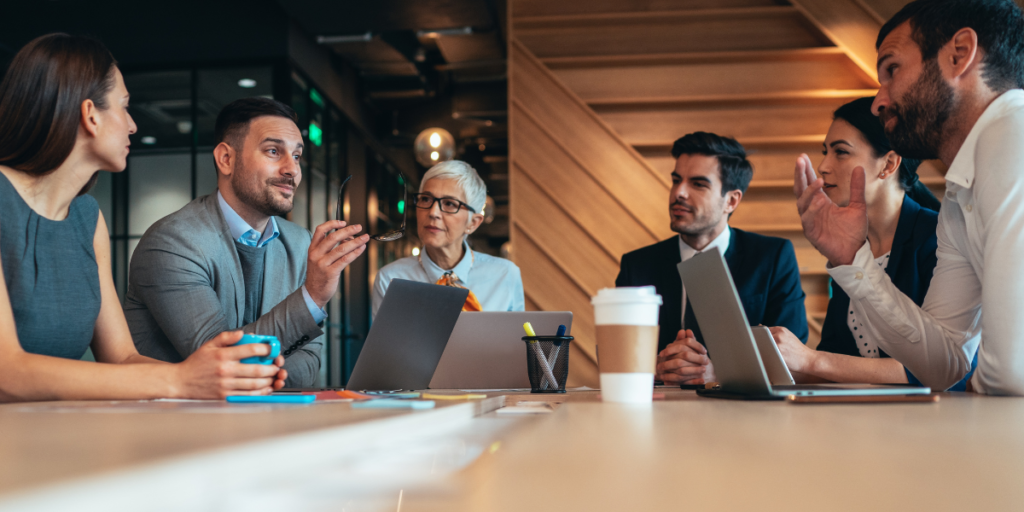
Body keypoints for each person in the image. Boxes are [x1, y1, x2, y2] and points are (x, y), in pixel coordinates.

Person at [0, 34, 286, 401]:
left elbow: (121, 358)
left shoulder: (87, 219)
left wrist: (221, 377)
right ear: (90, 115)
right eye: (123, 107)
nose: (133, 125)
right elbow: (7, 370)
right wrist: (181, 381)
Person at [796, 0, 1024, 394]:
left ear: (959, 55)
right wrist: (853, 260)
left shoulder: (1014, 137)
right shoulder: (956, 195)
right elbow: (945, 365)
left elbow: (1010, 373)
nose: (878, 100)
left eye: (892, 69)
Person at [125, 98, 368, 387]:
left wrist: (259, 376)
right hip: (181, 426)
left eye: (297, 156)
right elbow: (224, 362)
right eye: (274, 151)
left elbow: (310, 361)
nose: (292, 169)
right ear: (226, 159)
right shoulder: (173, 242)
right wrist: (312, 297)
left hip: (269, 423)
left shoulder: (301, 242)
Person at [765, 97, 976, 390]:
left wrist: (812, 360)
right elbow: (838, 358)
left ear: (889, 164)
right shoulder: (850, 245)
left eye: (841, 152)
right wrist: (732, 372)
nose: (823, 166)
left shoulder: (939, 238)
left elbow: (941, 370)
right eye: (825, 152)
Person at [615, 132, 808, 385]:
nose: (679, 193)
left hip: (748, 416)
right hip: (661, 414)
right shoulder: (637, 265)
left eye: (698, 184)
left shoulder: (772, 257)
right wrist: (656, 369)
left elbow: (793, 359)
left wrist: (719, 374)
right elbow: (618, 356)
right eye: (676, 180)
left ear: (731, 200)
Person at [372, 160, 523, 317]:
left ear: (473, 222)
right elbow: (384, 342)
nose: (433, 212)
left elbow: (517, 340)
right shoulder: (390, 279)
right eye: (426, 199)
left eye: (450, 203)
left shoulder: (506, 275)